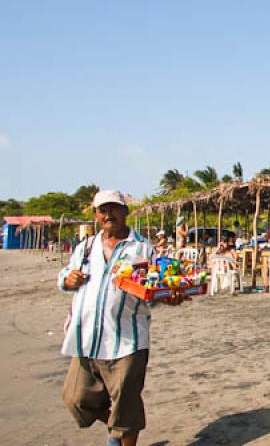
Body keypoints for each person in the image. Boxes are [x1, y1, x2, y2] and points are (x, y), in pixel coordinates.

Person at [58, 190, 186, 446]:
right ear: (95, 215)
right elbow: (65, 276)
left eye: (114, 208)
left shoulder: (142, 248)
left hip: (127, 339)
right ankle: (117, 428)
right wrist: (67, 280)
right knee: (76, 399)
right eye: (103, 210)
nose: (109, 214)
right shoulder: (85, 248)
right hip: (87, 338)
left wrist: (168, 296)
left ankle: (120, 434)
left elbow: (155, 288)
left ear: (125, 212)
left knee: (126, 406)